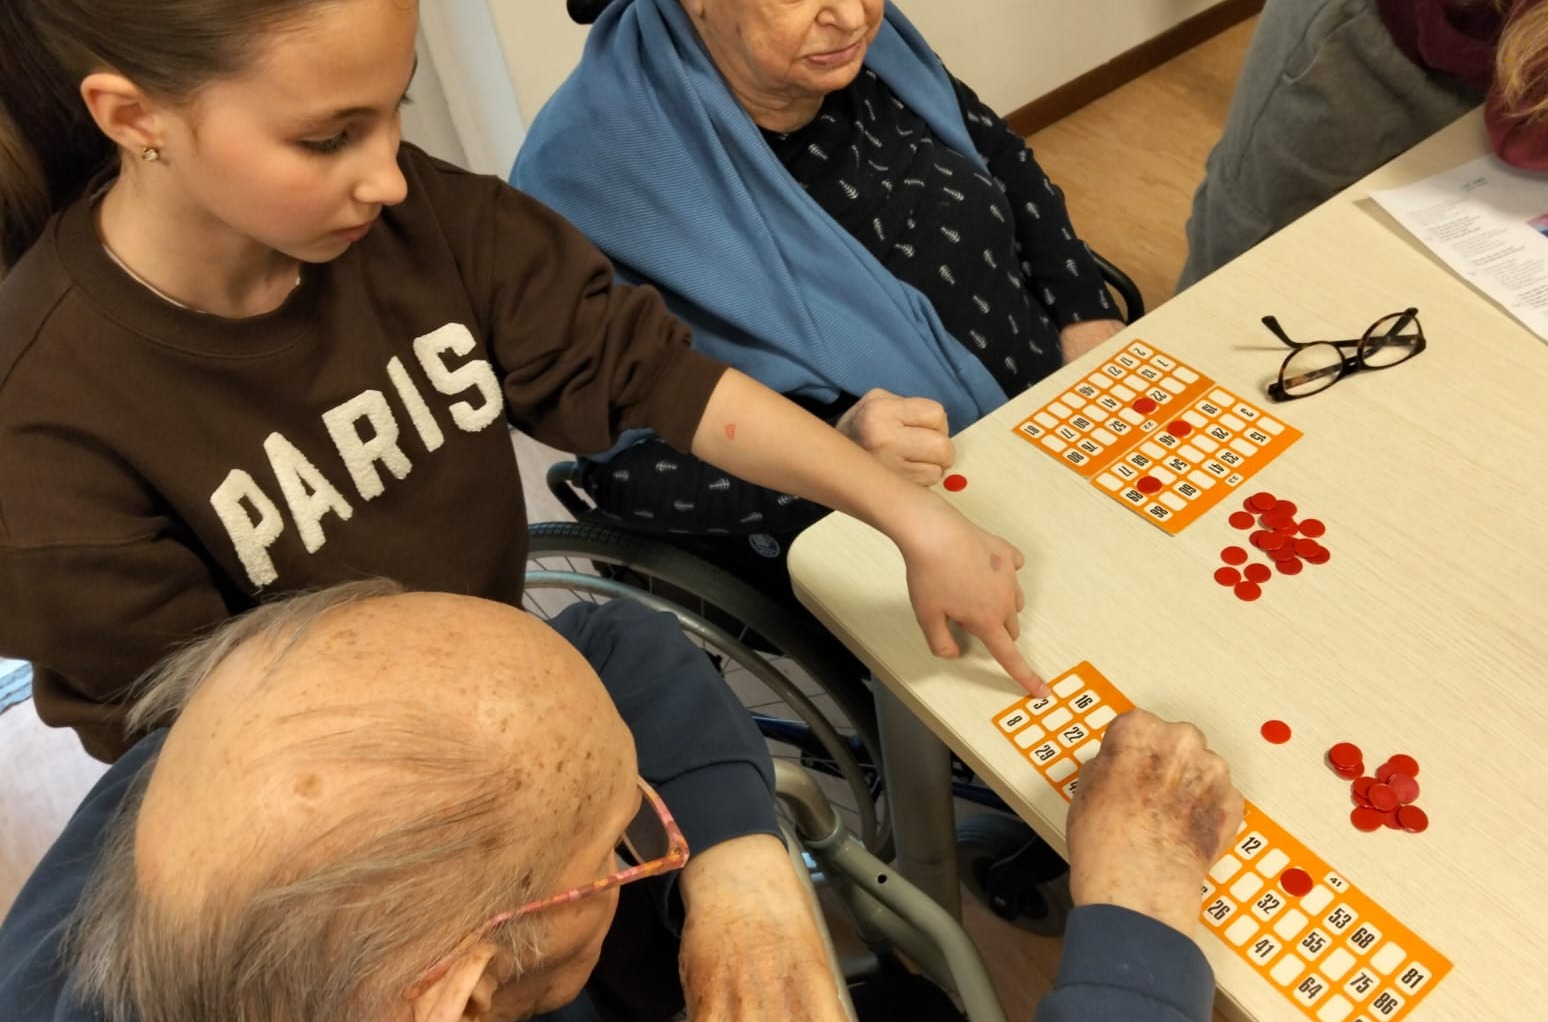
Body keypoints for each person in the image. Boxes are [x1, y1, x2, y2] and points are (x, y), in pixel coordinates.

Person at [0, 0, 1045, 765]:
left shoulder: (429, 222)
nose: (389, 177)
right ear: (132, 117)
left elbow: (656, 374)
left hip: (511, 700)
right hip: (337, 790)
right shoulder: (45, 428)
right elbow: (202, 746)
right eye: (327, 139)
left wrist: (910, 518)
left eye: (395, 108)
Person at [0, 582, 1242, 1022]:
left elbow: (600, 641)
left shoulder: (204, 773)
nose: (658, 831)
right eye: (625, 839)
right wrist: (1136, 920)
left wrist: (743, 871)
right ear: (454, 1012)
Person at [513, 0, 1126, 589]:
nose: (852, 17)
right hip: (880, 527)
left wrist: (1085, 317)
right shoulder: (587, 172)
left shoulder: (867, 51)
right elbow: (623, 475)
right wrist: (838, 456)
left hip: (1053, 422)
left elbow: (1000, 157)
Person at [1179, 0, 1548, 290]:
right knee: (1247, 250)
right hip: (1378, 30)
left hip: (1494, 49)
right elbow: (1519, 127)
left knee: (1404, 278)